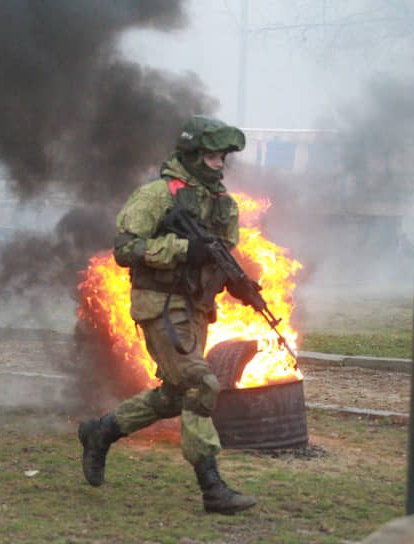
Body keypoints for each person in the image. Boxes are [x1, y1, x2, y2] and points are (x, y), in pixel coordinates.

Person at [78, 115, 265, 515]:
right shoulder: (157, 195)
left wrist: (237, 284)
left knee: (173, 395)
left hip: (196, 308)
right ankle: (212, 488)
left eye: (223, 157)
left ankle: (101, 432)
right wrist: (181, 249)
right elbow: (126, 248)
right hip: (159, 304)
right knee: (201, 383)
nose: (220, 164)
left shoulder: (222, 204)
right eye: (213, 156)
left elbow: (222, 254)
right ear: (195, 155)